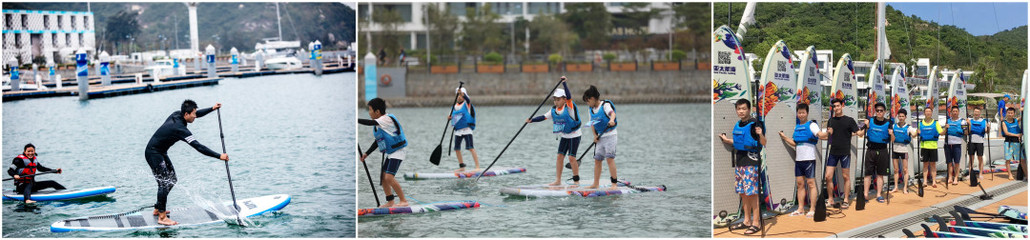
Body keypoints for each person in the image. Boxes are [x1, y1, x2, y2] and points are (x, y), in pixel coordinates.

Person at [145, 100, 228, 226]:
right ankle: (162, 217)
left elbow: (198, 113)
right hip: (153, 153)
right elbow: (199, 147)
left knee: (172, 179)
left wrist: (212, 108)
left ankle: (158, 208)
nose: (195, 116)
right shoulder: (180, 130)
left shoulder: (177, 113)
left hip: (160, 152)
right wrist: (219, 156)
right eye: (193, 114)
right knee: (164, 182)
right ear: (186, 114)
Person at [719, 99, 765, 235]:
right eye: (739, 109)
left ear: (749, 109)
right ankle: (746, 221)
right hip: (740, 161)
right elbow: (740, 141)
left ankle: (756, 222)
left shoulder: (755, 124)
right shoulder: (738, 124)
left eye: (744, 109)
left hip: (751, 163)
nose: (741, 111)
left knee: (753, 193)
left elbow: (764, 142)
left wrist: (760, 133)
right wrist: (728, 141)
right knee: (743, 193)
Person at [527, 76, 582, 186]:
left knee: (571, 157)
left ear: (564, 99)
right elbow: (543, 117)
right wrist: (531, 120)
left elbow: (569, 96)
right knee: (559, 156)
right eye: (555, 99)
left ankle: (576, 181)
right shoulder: (554, 110)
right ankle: (558, 180)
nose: (556, 102)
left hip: (575, 135)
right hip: (565, 135)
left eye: (558, 99)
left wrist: (565, 84)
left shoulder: (569, 107)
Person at [777, 103, 825, 217]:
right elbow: (795, 143)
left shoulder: (812, 125)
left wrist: (828, 133)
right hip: (799, 160)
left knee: (811, 184)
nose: (801, 115)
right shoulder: (797, 127)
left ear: (807, 113)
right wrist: (784, 138)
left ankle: (812, 209)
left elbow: (820, 135)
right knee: (800, 184)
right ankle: (800, 209)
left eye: (803, 112)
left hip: (809, 160)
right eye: (799, 113)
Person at [359, 98, 409, 207]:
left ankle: (404, 201)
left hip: (398, 151)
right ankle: (390, 201)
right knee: (383, 177)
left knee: (389, 177)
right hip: (392, 152)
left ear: (377, 112)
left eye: (370, 110)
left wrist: (356, 120)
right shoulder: (379, 124)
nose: (369, 112)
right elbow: (378, 141)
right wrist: (366, 153)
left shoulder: (386, 119)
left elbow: (369, 122)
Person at [824, 98, 863, 209]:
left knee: (845, 176)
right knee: (828, 176)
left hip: (845, 152)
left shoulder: (849, 120)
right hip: (833, 152)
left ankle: (846, 199)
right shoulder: (831, 121)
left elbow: (859, 133)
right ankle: (830, 199)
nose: (836, 108)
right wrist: (828, 133)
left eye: (838, 106)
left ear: (842, 106)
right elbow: (828, 135)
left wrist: (866, 127)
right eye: (834, 106)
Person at [583, 85, 618, 189]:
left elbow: (612, 114)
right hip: (600, 137)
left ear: (592, 99)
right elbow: (592, 123)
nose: (587, 103)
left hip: (610, 135)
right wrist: (595, 135)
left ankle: (614, 184)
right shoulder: (590, 109)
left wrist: (611, 120)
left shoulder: (605, 105)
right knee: (597, 160)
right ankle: (595, 184)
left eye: (587, 101)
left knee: (609, 159)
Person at [861, 103, 892, 203]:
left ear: (885, 112)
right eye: (877, 110)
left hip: (882, 150)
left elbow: (892, 140)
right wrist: (866, 127)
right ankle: (865, 194)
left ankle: (878, 194)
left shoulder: (889, 122)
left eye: (881, 110)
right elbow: (860, 134)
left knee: (880, 175)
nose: (879, 112)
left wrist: (891, 134)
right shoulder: (869, 120)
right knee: (868, 174)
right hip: (871, 150)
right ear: (875, 111)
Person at [449, 87, 480, 172]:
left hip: (467, 130)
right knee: (457, 149)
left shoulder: (467, 104)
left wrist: (462, 93)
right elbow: (453, 117)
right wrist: (449, 118)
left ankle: (477, 166)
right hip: (458, 131)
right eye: (458, 95)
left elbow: (468, 99)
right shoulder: (454, 107)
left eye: (461, 95)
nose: (459, 97)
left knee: (470, 148)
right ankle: (462, 166)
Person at [916, 107, 945, 188]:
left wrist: (946, 128)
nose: (928, 113)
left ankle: (934, 181)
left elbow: (941, 133)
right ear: (924, 113)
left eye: (929, 111)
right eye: (926, 111)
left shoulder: (936, 123)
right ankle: (925, 181)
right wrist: (916, 133)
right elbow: (916, 134)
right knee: (925, 164)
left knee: (933, 164)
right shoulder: (920, 123)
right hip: (924, 146)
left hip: (933, 147)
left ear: (931, 113)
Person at [891, 109, 916, 194]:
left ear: (905, 117)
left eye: (902, 116)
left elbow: (914, 134)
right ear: (898, 117)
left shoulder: (909, 127)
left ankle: (905, 188)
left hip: (904, 150)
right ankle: (896, 187)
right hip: (895, 150)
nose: (901, 118)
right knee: (896, 169)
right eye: (900, 116)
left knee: (905, 169)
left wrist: (917, 133)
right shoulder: (894, 126)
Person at [943, 106, 967, 185]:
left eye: (956, 111)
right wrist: (946, 128)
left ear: (958, 112)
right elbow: (943, 132)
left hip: (957, 144)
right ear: (951, 112)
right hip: (948, 144)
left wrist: (968, 126)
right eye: (953, 111)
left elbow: (966, 133)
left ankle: (956, 177)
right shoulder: (948, 121)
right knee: (949, 162)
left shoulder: (962, 121)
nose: (955, 113)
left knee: (956, 162)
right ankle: (950, 177)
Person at [967, 108, 989, 179]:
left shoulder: (984, 121)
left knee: (980, 158)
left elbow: (986, 131)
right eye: (975, 112)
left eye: (978, 112)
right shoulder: (970, 121)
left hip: (980, 142)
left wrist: (988, 128)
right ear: (973, 113)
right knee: (971, 158)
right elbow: (968, 131)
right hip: (971, 141)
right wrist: (969, 125)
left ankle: (980, 173)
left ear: (980, 113)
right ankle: (970, 173)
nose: (976, 113)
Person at [1001, 107, 1022, 180]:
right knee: (1008, 159)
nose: (1010, 114)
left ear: (1014, 114)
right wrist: (1017, 135)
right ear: (1006, 113)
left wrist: (1023, 109)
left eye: (1011, 113)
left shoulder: (1016, 120)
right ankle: (1009, 174)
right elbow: (1006, 132)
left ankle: (1020, 172)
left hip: (1017, 142)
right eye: (1009, 113)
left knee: (1020, 159)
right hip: (1008, 142)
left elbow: (1023, 117)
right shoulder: (1004, 122)